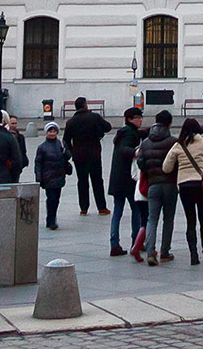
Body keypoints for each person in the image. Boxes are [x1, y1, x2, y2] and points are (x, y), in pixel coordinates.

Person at [161, 117, 203, 266]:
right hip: (201, 184)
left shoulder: (178, 145)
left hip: (185, 186)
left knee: (191, 221)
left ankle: (193, 256)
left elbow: (166, 168)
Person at [137, 109, 177, 266]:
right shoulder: (173, 142)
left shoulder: (146, 142)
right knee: (168, 219)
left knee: (152, 219)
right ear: (169, 124)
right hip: (170, 183)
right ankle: (165, 252)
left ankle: (150, 252)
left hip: (153, 184)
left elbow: (141, 162)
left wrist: (150, 171)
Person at [106, 106, 146, 258]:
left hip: (117, 179)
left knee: (118, 211)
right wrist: (135, 152)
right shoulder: (129, 133)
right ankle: (136, 242)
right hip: (127, 180)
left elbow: (142, 133)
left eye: (141, 117)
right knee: (136, 210)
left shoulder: (125, 132)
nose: (140, 120)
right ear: (130, 119)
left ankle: (114, 243)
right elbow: (124, 149)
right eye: (137, 118)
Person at [62, 97, 111, 217]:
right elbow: (108, 127)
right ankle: (102, 207)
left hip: (79, 155)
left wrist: (73, 151)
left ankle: (84, 208)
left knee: (82, 181)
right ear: (85, 105)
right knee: (97, 180)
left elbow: (66, 139)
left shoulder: (71, 121)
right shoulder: (94, 117)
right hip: (94, 153)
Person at [33, 122, 70, 230]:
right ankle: (51, 219)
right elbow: (38, 163)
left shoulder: (61, 144)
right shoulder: (42, 147)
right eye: (50, 131)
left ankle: (52, 218)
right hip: (48, 177)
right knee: (51, 198)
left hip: (59, 175)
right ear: (46, 132)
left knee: (56, 199)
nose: (52, 133)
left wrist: (65, 151)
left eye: (54, 131)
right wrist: (38, 177)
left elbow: (68, 156)